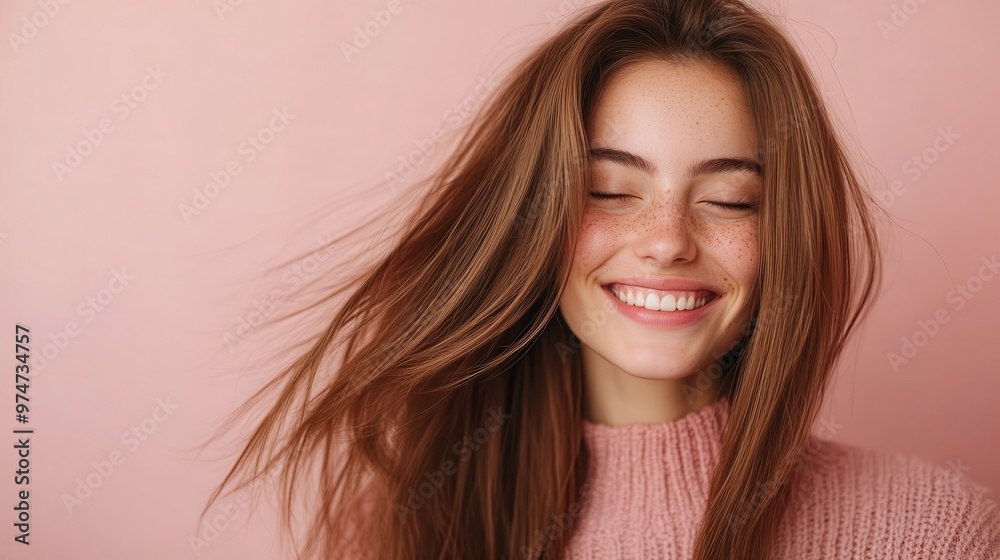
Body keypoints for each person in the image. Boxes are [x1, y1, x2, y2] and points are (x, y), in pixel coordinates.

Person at [201, 0, 1000, 558]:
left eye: (728, 199)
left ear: (784, 233)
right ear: (531, 220)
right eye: (611, 192)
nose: (667, 243)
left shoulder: (928, 530)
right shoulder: (409, 523)